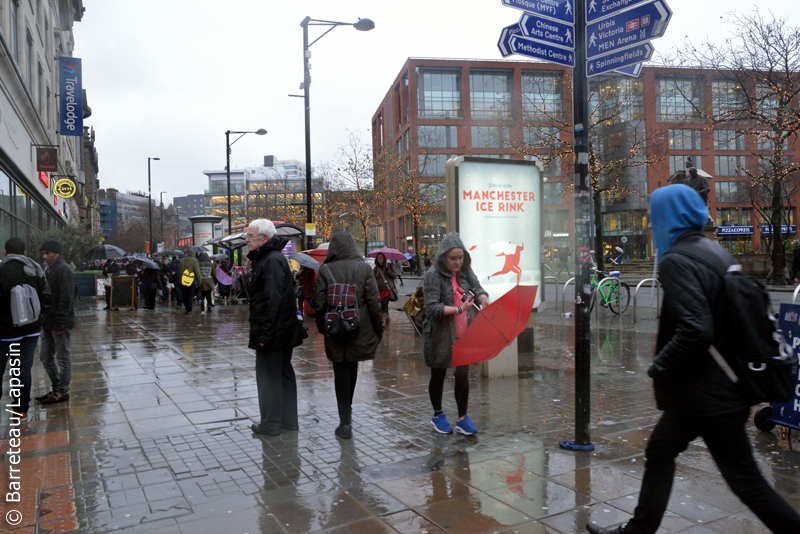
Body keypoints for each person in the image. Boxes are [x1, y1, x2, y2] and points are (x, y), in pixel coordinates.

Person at [587, 184, 800, 534]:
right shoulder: (714, 252)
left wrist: (659, 366)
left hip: (711, 396)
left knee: (746, 482)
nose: (651, 226)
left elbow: (696, 329)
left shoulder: (677, 260)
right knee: (660, 452)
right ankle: (638, 531)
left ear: (668, 217)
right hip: (705, 389)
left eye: (654, 218)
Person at [314, 232, 383, 440]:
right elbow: (373, 301)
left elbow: (319, 304)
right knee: (352, 366)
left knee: (340, 371)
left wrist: (323, 328)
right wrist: (378, 329)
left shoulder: (325, 269)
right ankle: (348, 413)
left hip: (334, 328)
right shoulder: (363, 268)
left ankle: (344, 421)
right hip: (358, 328)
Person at [423, 232, 490, 436]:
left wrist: (483, 297)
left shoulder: (464, 272)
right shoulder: (433, 275)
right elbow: (432, 307)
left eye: (460, 257)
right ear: (443, 256)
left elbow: (476, 287)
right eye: (453, 258)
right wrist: (459, 309)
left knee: (462, 374)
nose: (457, 262)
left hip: (463, 333)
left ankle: (462, 417)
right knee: (439, 372)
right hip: (440, 334)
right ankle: (438, 415)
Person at [246, 219, 305, 435]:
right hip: (282, 331)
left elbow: (274, 300)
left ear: (264, 238)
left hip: (273, 332)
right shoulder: (272, 258)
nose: (247, 239)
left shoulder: (270, 260)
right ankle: (288, 421)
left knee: (268, 377)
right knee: (283, 374)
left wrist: (266, 334)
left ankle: (271, 423)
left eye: (251, 236)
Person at [0, 238, 50, 421]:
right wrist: (40, 320)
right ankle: (21, 410)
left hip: (5, 332)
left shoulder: (2, 269)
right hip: (30, 330)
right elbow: (47, 296)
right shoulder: (36, 269)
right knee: (23, 368)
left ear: (6, 252)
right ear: (24, 253)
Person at [38, 240, 75, 405]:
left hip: (59, 322)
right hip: (47, 321)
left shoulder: (63, 269)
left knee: (63, 358)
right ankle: (56, 387)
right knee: (45, 357)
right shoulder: (49, 268)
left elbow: (66, 298)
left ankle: (62, 392)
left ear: (57, 253)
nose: (45, 257)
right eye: (44, 254)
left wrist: (60, 323)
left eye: (48, 253)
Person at [373, 252, 397, 325]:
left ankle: (383, 319)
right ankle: (387, 318)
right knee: (380, 305)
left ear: (384, 259)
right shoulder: (375, 269)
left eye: (381, 257)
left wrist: (388, 271)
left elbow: (394, 275)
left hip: (387, 289)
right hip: (378, 290)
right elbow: (372, 278)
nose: (380, 259)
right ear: (376, 259)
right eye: (378, 258)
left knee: (385, 304)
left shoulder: (389, 266)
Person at [178, 249, 201, 315]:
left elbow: (180, 272)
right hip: (191, 280)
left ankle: (186, 307)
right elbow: (197, 272)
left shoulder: (183, 260)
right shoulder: (195, 260)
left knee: (185, 294)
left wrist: (180, 279)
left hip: (184, 280)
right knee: (190, 295)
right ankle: (189, 310)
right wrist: (199, 281)